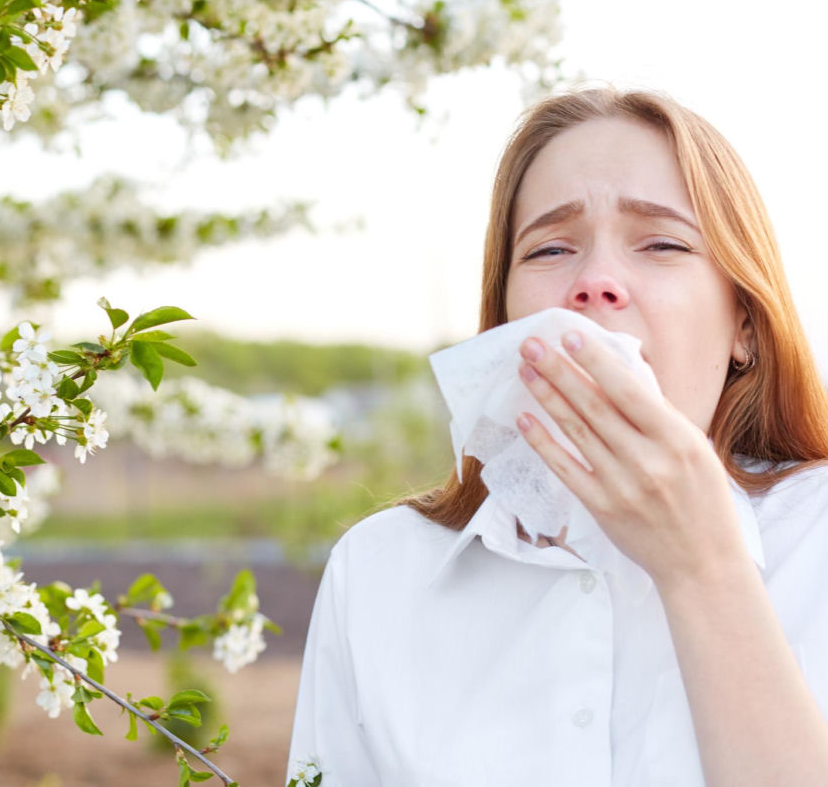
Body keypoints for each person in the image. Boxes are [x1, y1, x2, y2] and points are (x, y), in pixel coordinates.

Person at [284, 84, 828, 786]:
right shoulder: (378, 572)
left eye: (662, 243)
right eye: (549, 249)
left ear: (745, 327)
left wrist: (703, 570)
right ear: (506, 315)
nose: (596, 282)